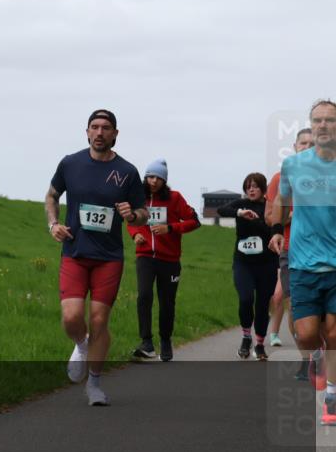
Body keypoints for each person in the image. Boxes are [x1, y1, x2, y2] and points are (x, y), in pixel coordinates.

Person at [45, 109, 148, 406]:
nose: (100, 132)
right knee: (71, 317)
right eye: (95, 127)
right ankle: (81, 343)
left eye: (106, 128)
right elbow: (52, 196)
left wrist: (133, 214)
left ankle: (94, 385)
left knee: (99, 320)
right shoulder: (70, 163)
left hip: (108, 257)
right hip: (75, 252)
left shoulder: (127, 172)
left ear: (115, 134)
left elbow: (142, 214)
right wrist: (53, 224)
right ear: (87, 132)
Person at [269, 99, 336, 426]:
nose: (323, 125)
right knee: (306, 332)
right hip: (303, 262)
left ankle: (332, 397)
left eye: (330, 120)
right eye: (317, 120)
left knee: (335, 334)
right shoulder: (294, 165)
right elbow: (282, 199)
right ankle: (316, 359)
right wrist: (276, 229)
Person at [126, 159, 201, 362]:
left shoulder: (175, 198)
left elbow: (195, 221)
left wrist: (170, 228)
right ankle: (146, 342)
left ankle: (166, 340)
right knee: (144, 296)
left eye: (158, 178)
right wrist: (135, 235)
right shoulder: (137, 197)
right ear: (145, 177)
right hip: (145, 257)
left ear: (164, 180)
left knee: (167, 303)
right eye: (150, 177)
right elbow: (131, 219)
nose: (153, 181)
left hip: (169, 259)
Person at [265, 128, 314, 378]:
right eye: (302, 143)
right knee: (296, 304)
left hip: (323, 250)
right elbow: (269, 215)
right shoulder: (280, 178)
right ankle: (306, 359)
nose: (307, 147)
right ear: (294, 147)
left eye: (311, 143)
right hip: (291, 248)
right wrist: (287, 217)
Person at [217, 174, 279, 360]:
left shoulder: (270, 207)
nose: (251, 190)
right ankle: (246, 337)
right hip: (243, 263)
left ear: (263, 189)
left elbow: (275, 227)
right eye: (248, 187)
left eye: (255, 186)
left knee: (261, 305)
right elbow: (221, 210)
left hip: (267, 264)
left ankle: (259, 344)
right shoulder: (240, 204)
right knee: (245, 299)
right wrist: (240, 213)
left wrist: (257, 221)